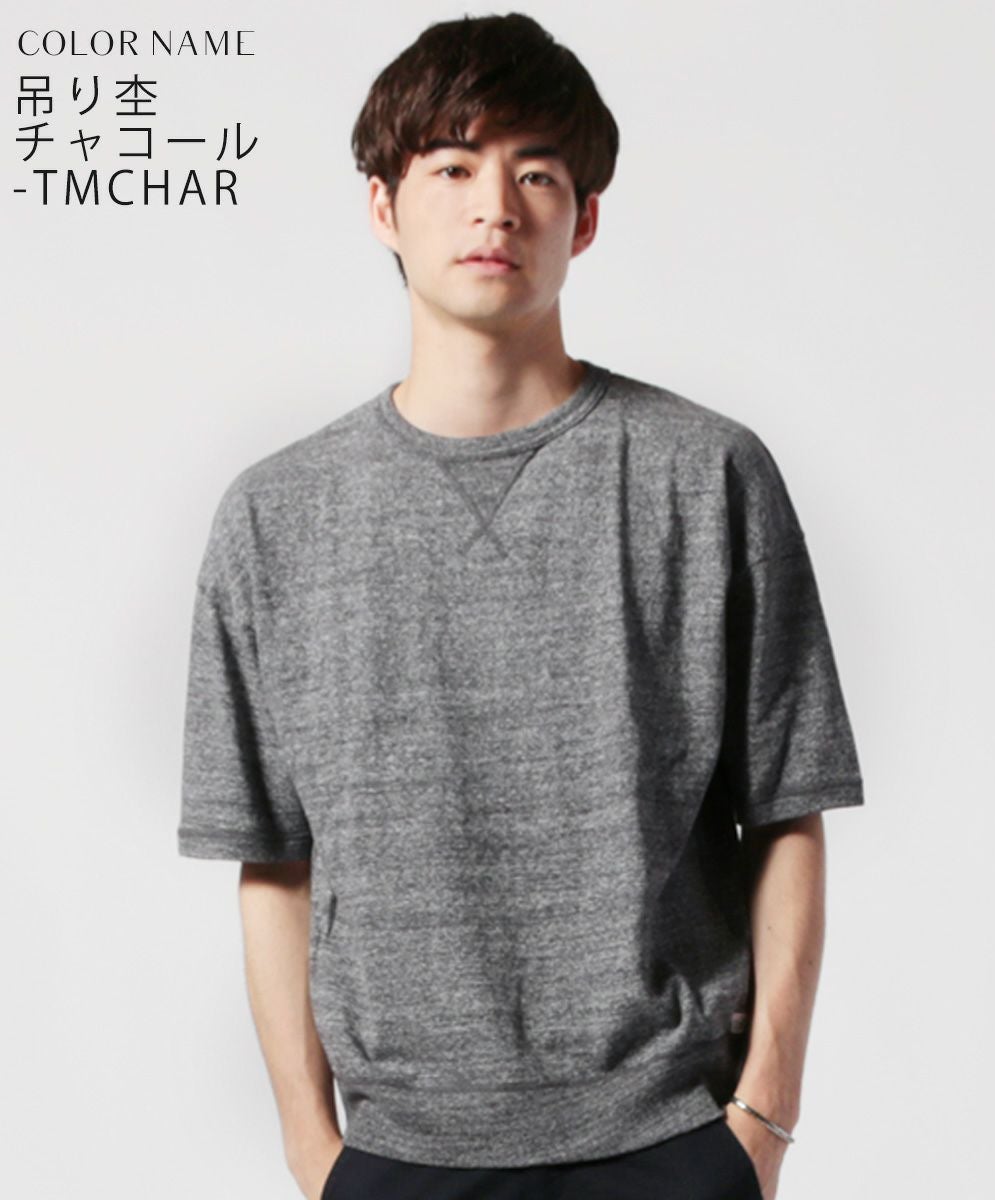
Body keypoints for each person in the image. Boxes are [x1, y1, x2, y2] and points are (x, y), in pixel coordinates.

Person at [177, 13, 865, 1200]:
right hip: (395, 1155)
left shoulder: (706, 474)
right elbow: (272, 860)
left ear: (583, 218)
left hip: (670, 1137)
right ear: (383, 206)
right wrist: (312, 1150)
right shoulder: (273, 517)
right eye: (451, 168)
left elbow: (787, 811)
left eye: (535, 173)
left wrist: (761, 1123)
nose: (493, 207)